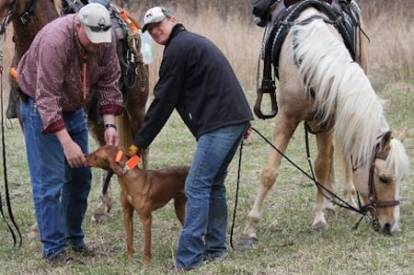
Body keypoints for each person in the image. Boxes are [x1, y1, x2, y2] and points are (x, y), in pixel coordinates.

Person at [127, 6, 253, 270]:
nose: (155, 30)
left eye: (159, 24)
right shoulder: (189, 43)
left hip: (222, 123)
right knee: (213, 183)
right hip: (232, 119)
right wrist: (242, 118)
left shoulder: (178, 49)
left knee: (195, 185)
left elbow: (163, 101)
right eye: (150, 29)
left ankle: (187, 261)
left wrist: (139, 143)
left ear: (172, 20)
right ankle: (216, 249)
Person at [17, 3, 123, 262]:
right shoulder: (56, 41)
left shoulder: (104, 38)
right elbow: (47, 99)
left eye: (102, 39)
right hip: (39, 105)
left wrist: (109, 123)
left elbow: (110, 81)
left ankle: (73, 239)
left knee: (80, 178)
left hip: (74, 107)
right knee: (49, 182)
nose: (98, 44)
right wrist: (66, 143)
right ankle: (53, 250)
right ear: (78, 25)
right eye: (92, 39)